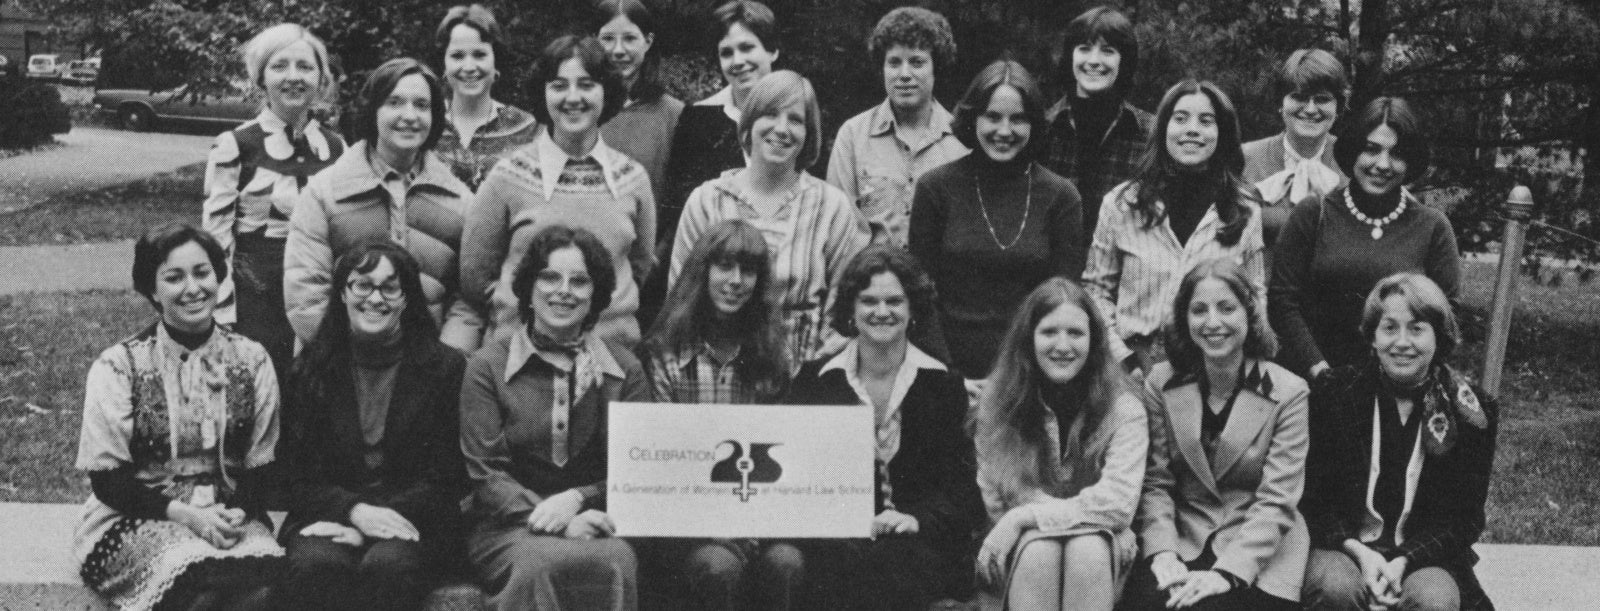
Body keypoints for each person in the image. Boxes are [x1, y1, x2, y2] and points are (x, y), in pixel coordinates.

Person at [74, 224, 282, 611]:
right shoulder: (119, 367)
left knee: (264, 588)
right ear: (152, 290)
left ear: (219, 277)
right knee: (198, 589)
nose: (193, 289)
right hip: (135, 518)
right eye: (174, 277)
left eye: (202, 273)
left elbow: (261, 466)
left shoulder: (251, 360)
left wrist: (233, 512)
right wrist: (188, 516)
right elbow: (108, 482)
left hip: (230, 515)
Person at [785, 245, 984, 610]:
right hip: (838, 543)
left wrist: (914, 519)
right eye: (868, 301)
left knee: (893, 562)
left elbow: (962, 493)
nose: (881, 312)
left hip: (918, 543)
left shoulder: (942, 385)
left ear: (912, 310)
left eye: (894, 301)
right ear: (851, 308)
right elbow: (797, 484)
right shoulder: (816, 382)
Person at [460, 225, 644, 610]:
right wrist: (556, 519)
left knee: (616, 560)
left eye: (579, 281)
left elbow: (636, 473)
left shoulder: (623, 370)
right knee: (540, 563)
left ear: (596, 294)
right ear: (528, 286)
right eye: (549, 277)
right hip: (508, 526)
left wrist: (579, 500)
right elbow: (486, 474)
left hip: (596, 523)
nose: (563, 291)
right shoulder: (488, 366)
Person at [276, 243, 467, 611]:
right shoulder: (309, 371)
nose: (375, 298)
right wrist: (353, 512)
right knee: (317, 565)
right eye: (362, 285)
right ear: (343, 295)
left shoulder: (445, 370)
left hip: (414, 520)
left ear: (408, 298)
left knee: (389, 567)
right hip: (328, 517)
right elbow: (296, 476)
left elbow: (448, 477)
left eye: (390, 288)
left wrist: (369, 518)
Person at [1299, 273, 1497, 611]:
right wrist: (1358, 552)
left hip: (1424, 557)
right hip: (1345, 547)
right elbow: (1313, 498)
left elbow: (1465, 519)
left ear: (1439, 338)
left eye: (1417, 329)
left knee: (1433, 600)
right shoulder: (1335, 393)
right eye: (1389, 328)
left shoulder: (1473, 413)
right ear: (1373, 337)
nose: (1402, 342)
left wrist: (1403, 560)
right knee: (1335, 589)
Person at [633, 219, 801, 610]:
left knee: (786, 562)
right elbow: (661, 460)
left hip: (756, 516)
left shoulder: (773, 353)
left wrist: (753, 525)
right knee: (718, 566)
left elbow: (780, 454)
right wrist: (710, 526)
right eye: (724, 266)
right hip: (685, 523)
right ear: (702, 272)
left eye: (748, 271)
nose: (736, 281)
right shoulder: (663, 353)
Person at [1124, 259, 1309, 611]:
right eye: (1199, 310)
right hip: (1184, 533)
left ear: (1249, 314)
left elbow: (1277, 500)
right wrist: (1162, 551)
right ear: (1184, 318)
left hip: (1261, 545)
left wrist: (1226, 573)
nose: (1212, 323)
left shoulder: (1289, 392)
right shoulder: (1161, 383)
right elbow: (1155, 482)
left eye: (1226, 308)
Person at [462, 35, 656, 348]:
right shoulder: (507, 177)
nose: (573, 97)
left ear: (606, 92)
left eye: (587, 84)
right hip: (520, 362)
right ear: (543, 93)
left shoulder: (633, 179)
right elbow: (476, 278)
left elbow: (638, 268)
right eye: (559, 85)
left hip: (610, 360)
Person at [671, 70, 871, 365]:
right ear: (749, 123)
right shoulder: (706, 201)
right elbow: (681, 300)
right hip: (715, 374)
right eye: (770, 115)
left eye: (795, 119)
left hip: (803, 379)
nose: (781, 128)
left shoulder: (831, 207)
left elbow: (843, 307)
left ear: (809, 132)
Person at [971, 278, 1147, 611]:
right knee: (1041, 551)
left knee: (1087, 549)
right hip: (1015, 548)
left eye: (1076, 333)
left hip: (1099, 550)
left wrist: (1025, 518)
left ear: (1094, 341)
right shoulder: (998, 402)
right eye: (1049, 332)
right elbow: (1000, 498)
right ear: (1028, 339)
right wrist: (1021, 522)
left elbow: (1118, 502)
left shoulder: (1124, 407)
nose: (1063, 346)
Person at [284, 57, 481, 353]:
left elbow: (468, 299)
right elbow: (306, 295)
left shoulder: (461, 202)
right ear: (373, 110)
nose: (409, 115)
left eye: (422, 105)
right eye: (395, 102)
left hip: (428, 374)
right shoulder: (324, 193)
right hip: (337, 367)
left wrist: (445, 365)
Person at [910, 59, 1085, 381]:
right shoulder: (935, 188)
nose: (1004, 131)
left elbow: (1063, 304)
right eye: (992, 116)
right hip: (946, 372)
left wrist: (1019, 379)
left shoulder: (1062, 196)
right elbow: (920, 296)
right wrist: (951, 377)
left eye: (1018, 119)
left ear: (1033, 124)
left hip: (1032, 374)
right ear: (973, 117)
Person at [1082, 79, 1265, 376]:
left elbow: (1255, 293)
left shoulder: (1245, 209)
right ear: (1163, 128)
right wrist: (1122, 358)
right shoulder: (1121, 204)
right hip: (1134, 365)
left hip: (1214, 365)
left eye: (1206, 121)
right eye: (1180, 119)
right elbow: (1095, 290)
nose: (1192, 129)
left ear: (1223, 133)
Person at [1269, 97, 1460, 379]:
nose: (1382, 164)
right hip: (1314, 384)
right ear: (1354, 149)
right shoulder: (1313, 214)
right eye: (1371, 150)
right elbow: (1282, 302)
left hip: (1396, 387)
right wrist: (1320, 371)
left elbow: (1447, 315)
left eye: (1396, 154)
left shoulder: (1432, 226)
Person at [204, 23, 344, 377]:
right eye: (280, 66)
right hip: (257, 301)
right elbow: (216, 239)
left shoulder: (338, 148)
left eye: (305, 67)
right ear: (260, 78)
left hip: (320, 297)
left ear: (321, 78)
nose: (293, 77)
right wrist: (222, 316)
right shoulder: (235, 145)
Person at [826, 6, 967, 248]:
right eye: (894, 62)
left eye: (916, 62)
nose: (904, 74)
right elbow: (838, 228)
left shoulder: (962, 140)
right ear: (882, 68)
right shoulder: (853, 135)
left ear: (937, 67)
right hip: (871, 281)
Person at [594, 0, 688, 330]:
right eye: (607, 39)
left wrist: (653, 261)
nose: (618, 50)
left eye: (629, 39)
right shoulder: (580, 108)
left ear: (648, 41)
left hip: (647, 275)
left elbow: (679, 200)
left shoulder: (673, 115)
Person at [665, 0, 781, 235]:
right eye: (727, 53)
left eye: (747, 48)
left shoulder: (797, 116)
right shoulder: (697, 119)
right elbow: (680, 208)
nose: (738, 61)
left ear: (772, 50)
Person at [1041, 6, 1155, 240]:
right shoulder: (1041, 128)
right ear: (1070, 55)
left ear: (1124, 60)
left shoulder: (1150, 132)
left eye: (1107, 51)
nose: (1094, 61)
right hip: (1052, 269)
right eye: (1084, 49)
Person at [1242, 48, 1349, 256]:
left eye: (1322, 99)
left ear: (1339, 107)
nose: (1310, 109)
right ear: (1280, 103)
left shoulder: (1355, 163)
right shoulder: (1244, 159)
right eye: (1299, 97)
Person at [432, 4, 540, 191]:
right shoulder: (425, 123)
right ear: (444, 64)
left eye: (479, 55)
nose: (469, 67)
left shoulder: (527, 129)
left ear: (495, 62)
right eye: (457, 56)